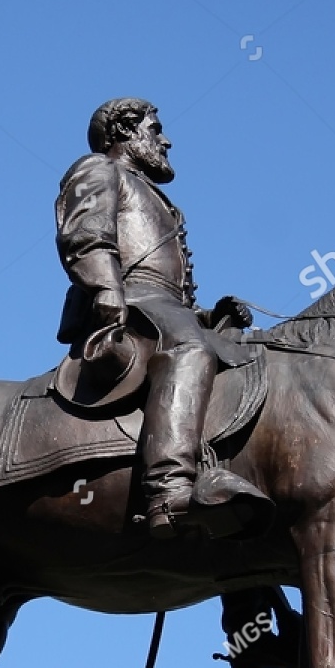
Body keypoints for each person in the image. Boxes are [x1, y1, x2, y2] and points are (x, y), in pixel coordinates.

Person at [54, 97, 272, 539]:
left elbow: (171, 291)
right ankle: (169, 493)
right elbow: (85, 236)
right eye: (155, 130)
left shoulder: (159, 199)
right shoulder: (99, 169)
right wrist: (105, 289)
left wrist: (210, 315)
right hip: (132, 303)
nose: (166, 140)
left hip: (164, 308)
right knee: (188, 349)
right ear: (124, 133)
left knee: (248, 356)